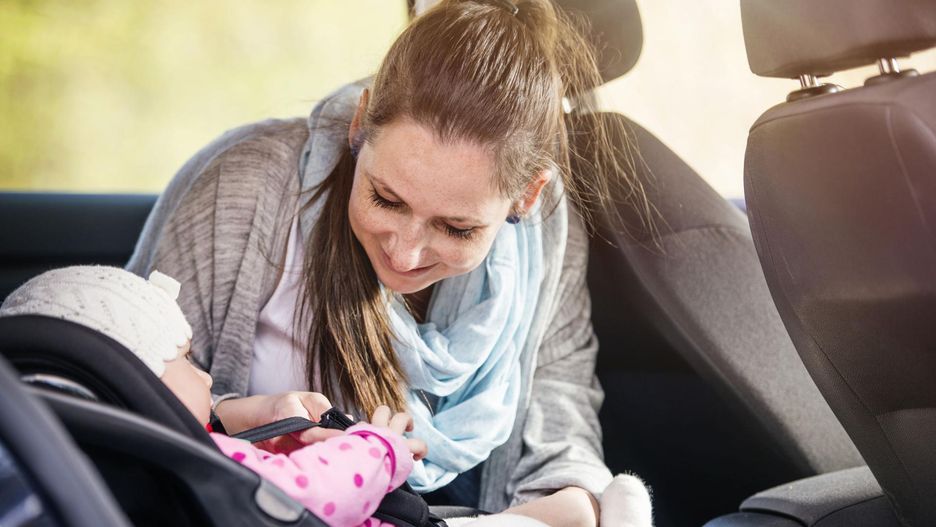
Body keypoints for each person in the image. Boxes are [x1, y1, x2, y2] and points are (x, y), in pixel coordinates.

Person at [127, 1, 654, 525]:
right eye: (385, 198)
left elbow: (561, 432)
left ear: (527, 196)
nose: (404, 253)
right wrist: (243, 417)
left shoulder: (547, 237)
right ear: (361, 122)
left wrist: (576, 502)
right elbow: (123, 392)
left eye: (457, 228)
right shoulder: (245, 188)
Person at [0, 265, 429, 527]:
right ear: (135, 386)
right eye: (185, 360)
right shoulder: (193, 465)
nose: (206, 378)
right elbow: (318, 495)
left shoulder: (108, 462)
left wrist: (228, 417)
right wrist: (377, 448)